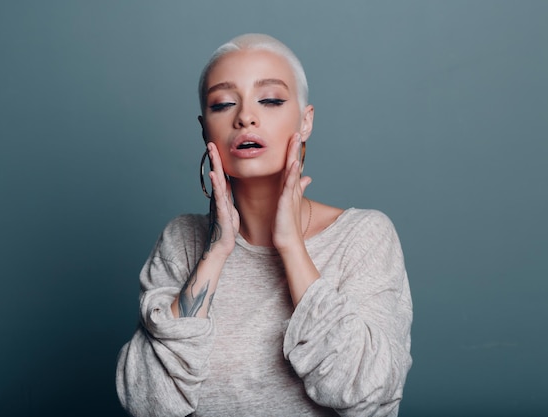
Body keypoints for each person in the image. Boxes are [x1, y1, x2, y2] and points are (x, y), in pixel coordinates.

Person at [116, 33, 412, 417]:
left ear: (305, 122)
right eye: (223, 103)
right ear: (206, 129)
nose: (245, 116)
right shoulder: (181, 241)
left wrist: (291, 247)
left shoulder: (364, 237)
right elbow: (147, 402)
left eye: (270, 99)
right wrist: (216, 252)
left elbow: (368, 391)